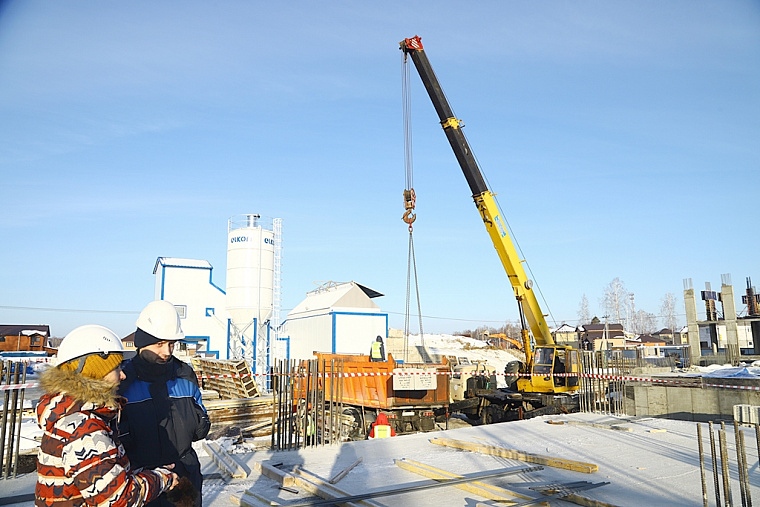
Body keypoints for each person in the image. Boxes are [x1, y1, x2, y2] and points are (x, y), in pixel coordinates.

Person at [35, 324, 179, 507]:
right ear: (95, 371)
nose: (123, 375)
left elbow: (101, 476)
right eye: (116, 368)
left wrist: (144, 473)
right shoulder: (83, 428)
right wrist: (161, 479)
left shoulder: (71, 414)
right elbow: (117, 500)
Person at [118, 300, 210, 507]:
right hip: (142, 483)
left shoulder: (184, 375)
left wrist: (200, 420)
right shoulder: (123, 381)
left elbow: (201, 428)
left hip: (185, 478)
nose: (167, 352)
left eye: (171, 344)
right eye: (159, 344)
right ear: (141, 343)